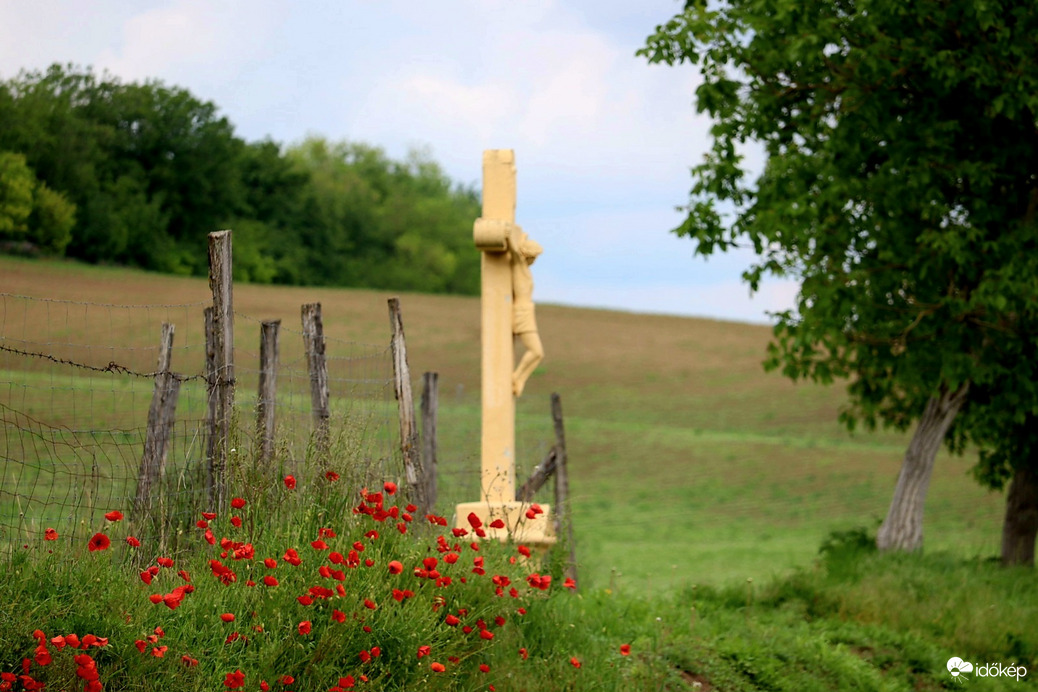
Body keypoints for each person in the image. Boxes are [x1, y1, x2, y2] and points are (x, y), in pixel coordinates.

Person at [507, 226, 544, 398]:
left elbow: (517, 251)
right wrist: (511, 237)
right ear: (527, 255)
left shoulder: (524, 269)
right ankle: (516, 377)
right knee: (536, 351)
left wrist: (521, 238)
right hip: (521, 312)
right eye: (534, 256)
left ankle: (518, 378)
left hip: (527, 310)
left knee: (538, 353)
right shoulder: (518, 266)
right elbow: (515, 253)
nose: (535, 260)